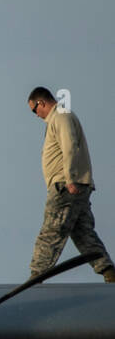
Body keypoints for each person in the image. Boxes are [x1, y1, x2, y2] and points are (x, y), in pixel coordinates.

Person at [26, 87, 115, 283]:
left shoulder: (61, 116)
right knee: (83, 233)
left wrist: (71, 178)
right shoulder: (60, 117)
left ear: (41, 103)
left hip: (66, 186)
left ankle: (36, 275)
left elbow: (70, 146)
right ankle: (108, 271)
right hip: (74, 185)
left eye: (34, 110)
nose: (36, 115)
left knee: (52, 229)